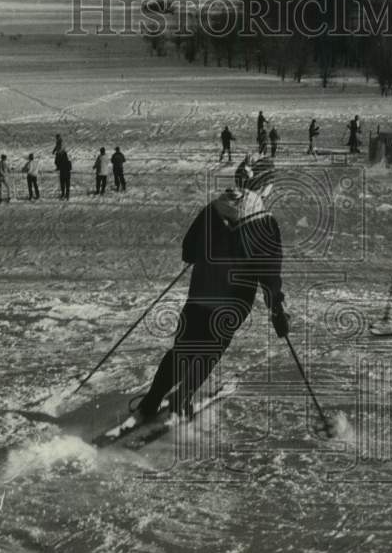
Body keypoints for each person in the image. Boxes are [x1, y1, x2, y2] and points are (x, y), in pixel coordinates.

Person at [123, 156, 289, 426]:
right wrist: (277, 307)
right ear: (265, 186)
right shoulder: (263, 220)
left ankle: (151, 401)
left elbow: (188, 250)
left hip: (200, 292)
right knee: (210, 350)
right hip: (233, 300)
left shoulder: (212, 208)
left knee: (183, 350)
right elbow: (269, 271)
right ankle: (182, 398)